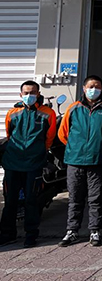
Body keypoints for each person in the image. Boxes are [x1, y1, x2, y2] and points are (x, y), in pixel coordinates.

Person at [58, 75, 102, 247]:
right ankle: (72, 230)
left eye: (97, 86)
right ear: (84, 88)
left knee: (96, 198)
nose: (93, 89)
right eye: (90, 86)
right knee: (75, 198)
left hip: (98, 160)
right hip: (75, 160)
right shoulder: (74, 108)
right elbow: (63, 134)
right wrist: (77, 147)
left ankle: (95, 230)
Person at [0, 81, 56, 248]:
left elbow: (49, 138)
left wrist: (39, 152)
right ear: (20, 94)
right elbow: (9, 135)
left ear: (38, 94)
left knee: (32, 201)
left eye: (32, 92)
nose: (29, 95)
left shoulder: (48, 114)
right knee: (10, 200)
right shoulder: (12, 113)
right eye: (26, 93)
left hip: (34, 164)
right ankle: (7, 234)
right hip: (12, 163)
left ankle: (31, 235)